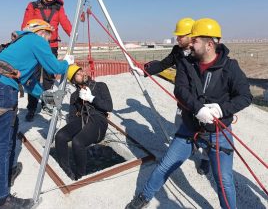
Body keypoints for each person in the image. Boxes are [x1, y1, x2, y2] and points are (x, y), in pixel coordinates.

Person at [126, 18, 252, 209]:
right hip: (190, 129)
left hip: (219, 134)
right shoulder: (186, 63)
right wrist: (198, 108)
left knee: (224, 182)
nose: (190, 43)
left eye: (195, 40)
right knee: (165, 165)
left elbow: (245, 96)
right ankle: (144, 196)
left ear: (209, 44)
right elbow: (180, 89)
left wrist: (222, 109)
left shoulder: (230, 67)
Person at [0, 19, 71, 209]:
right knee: (1, 146)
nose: (47, 41)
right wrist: (67, 63)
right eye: (48, 37)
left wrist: (43, 95)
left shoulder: (19, 45)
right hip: (0, 89)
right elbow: (55, 68)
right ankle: (2, 200)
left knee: (12, 128)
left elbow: (28, 82)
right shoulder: (35, 40)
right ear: (41, 32)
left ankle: (7, 173)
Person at [136, 17, 210, 175]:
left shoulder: (201, 52)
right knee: (180, 127)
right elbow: (163, 64)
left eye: (180, 36)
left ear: (191, 36)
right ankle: (185, 150)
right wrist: (144, 71)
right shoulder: (177, 51)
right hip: (183, 101)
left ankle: (205, 159)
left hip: (200, 100)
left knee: (204, 132)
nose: (177, 38)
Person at [21, 0, 72, 121]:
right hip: (35, 47)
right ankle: (31, 107)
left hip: (52, 46)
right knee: (34, 77)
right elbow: (25, 26)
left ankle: (46, 104)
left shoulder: (59, 7)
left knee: (49, 78)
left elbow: (65, 23)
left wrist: (73, 35)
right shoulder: (33, 6)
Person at [55, 64, 113, 181]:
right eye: (77, 74)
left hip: (98, 120)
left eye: (81, 71)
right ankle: (66, 170)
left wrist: (92, 98)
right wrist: (76, 127)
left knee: (77, 142)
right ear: (73, 81)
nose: (82, 73)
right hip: (83, 119)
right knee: (60, 136)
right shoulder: (74, 96)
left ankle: (80, 175)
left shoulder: (100, 86)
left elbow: (109, 106)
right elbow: (72, 117)